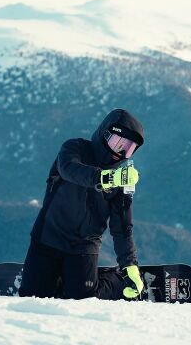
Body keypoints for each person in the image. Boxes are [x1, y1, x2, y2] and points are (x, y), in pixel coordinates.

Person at [19, 109, 145, 300]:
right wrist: (106, 178)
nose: (119, 154)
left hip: (83, 247)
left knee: (84, 299)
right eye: (118, 143)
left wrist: (129, 265)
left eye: (128, 149)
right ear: (105, 134)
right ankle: (61, 282)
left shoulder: (121, 180)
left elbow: (122, 228)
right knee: (31, 298)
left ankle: (116, 281)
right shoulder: (74, 148)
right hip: (47, 237)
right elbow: (70, 170)